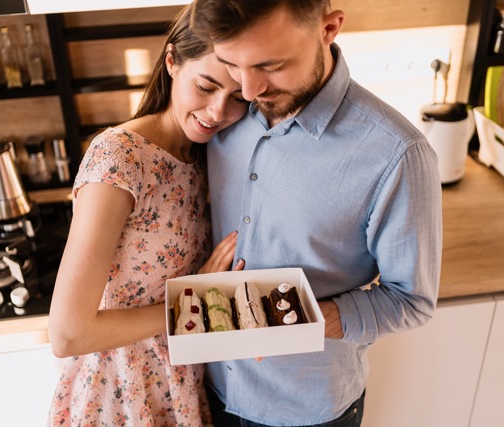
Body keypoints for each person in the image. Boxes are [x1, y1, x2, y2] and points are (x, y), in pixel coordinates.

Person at [190, 1, 443, 426]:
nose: (249, 91)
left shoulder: (397, 155)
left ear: (329, 28)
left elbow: (412, 300)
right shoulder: (222, 111)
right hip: (209, 387)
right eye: (233, 64)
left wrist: (305, 318)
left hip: (304, 411)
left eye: (271, 66)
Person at [46, 5, 249, 426]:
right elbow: (67, 334)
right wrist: (193, 301)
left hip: (184, 384)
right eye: (206, 86)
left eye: (237, 98)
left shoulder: (203, 155)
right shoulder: (120, 157)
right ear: (172, 61)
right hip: (119, 392)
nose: (217, 111)